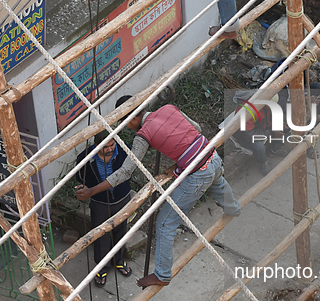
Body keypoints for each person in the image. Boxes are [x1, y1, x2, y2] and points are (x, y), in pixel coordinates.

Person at [75, 104, 241, 288]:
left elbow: (125, 172)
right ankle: (232, 208)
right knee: (218, 182)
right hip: (212, 156)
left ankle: (162, 275)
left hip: (198, 174)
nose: (129, 128)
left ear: (130, 120)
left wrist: (91, 191)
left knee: (164, 223)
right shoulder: (168, 108)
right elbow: (197, 129)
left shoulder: (142, 135)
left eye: (126, 124)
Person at [75, 131, 133, 287]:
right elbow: (80, 177)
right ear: (96, 146)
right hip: (99, 203)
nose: (110, 149)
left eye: (112, 145)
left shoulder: (123, 149)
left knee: (121, 230)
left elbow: (129, 169)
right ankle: (102, 267)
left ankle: (118, 260)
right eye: (105, 146)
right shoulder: (85, 158)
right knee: (100, 234)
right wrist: (83, 188)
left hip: (122, 199)